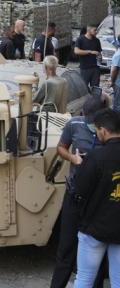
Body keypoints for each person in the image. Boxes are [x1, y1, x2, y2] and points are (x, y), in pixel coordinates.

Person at [50, 95, 106, 288]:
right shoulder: (74, 125)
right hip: (75, 195)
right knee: (66, 247)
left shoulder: (111, 130)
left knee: (97, 251)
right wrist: (72, 159)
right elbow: (61, 148)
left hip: (98, 199)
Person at [72, 108, 120, 288]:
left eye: (97, 129)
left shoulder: (95, 156)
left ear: (104, 131)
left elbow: (79, 192)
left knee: (84, 279)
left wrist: (79, 166)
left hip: (94, 229)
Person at [74, 23, 102, 90]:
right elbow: (76, 51)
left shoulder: (97, 40)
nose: (96, 32)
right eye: (95, 30)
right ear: (88, 29)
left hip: (95, 68)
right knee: (83, 88)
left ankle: (95, 100)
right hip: (85, 68)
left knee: (95, 89)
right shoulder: (80, 39)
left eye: (97, 30)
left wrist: (99, 56)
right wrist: (90, 52)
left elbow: (99, 53)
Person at [109, 36, 120, 112]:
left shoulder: (118, 55)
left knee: (117, 105)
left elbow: (114, 70)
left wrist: (112, 81)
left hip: (118, 83)